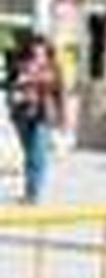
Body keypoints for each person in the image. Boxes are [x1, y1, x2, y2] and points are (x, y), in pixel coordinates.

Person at [7, 31, 65, 203]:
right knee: (28, 153)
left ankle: (33, 193)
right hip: (23, 114)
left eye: (42, 50)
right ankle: (29, 189)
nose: (39, 53)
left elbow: (59, 93)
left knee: (37, 153)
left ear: (48, 51)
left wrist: (63, 118)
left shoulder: (53, 67)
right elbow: (10, 86)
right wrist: (18, 88)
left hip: (44, 115)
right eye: (35, 50)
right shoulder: (21, 65)